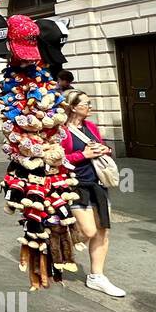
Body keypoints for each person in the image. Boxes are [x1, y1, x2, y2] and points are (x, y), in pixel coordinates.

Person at [61, 90, 125, 297]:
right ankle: (58, 245)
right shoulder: (62, 131)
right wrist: (83, 154)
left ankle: (96, 276)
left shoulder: (90, 127)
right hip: (76, 185)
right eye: (86, 104)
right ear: (72, 106)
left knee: (102, 231)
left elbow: (100, 145)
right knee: (88, 231)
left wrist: (103, 149)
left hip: (98, 183)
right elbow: (57, 159)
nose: (90, 107)